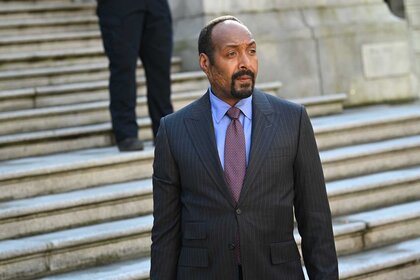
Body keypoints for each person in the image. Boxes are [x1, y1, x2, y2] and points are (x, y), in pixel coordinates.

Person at [151, 15, 338, 280]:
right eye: (231, 53)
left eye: (251, 51)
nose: (245, 63)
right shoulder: (174, 130)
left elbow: (315, 218)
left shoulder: (292, 119)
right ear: (205, 63)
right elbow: (165, 231)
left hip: (276, 272)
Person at [96, 0, 174, 151]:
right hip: (119, 6)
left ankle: (163, 131)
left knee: (161, 70)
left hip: (156, 5)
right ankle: (126, 133)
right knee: (123, 68)